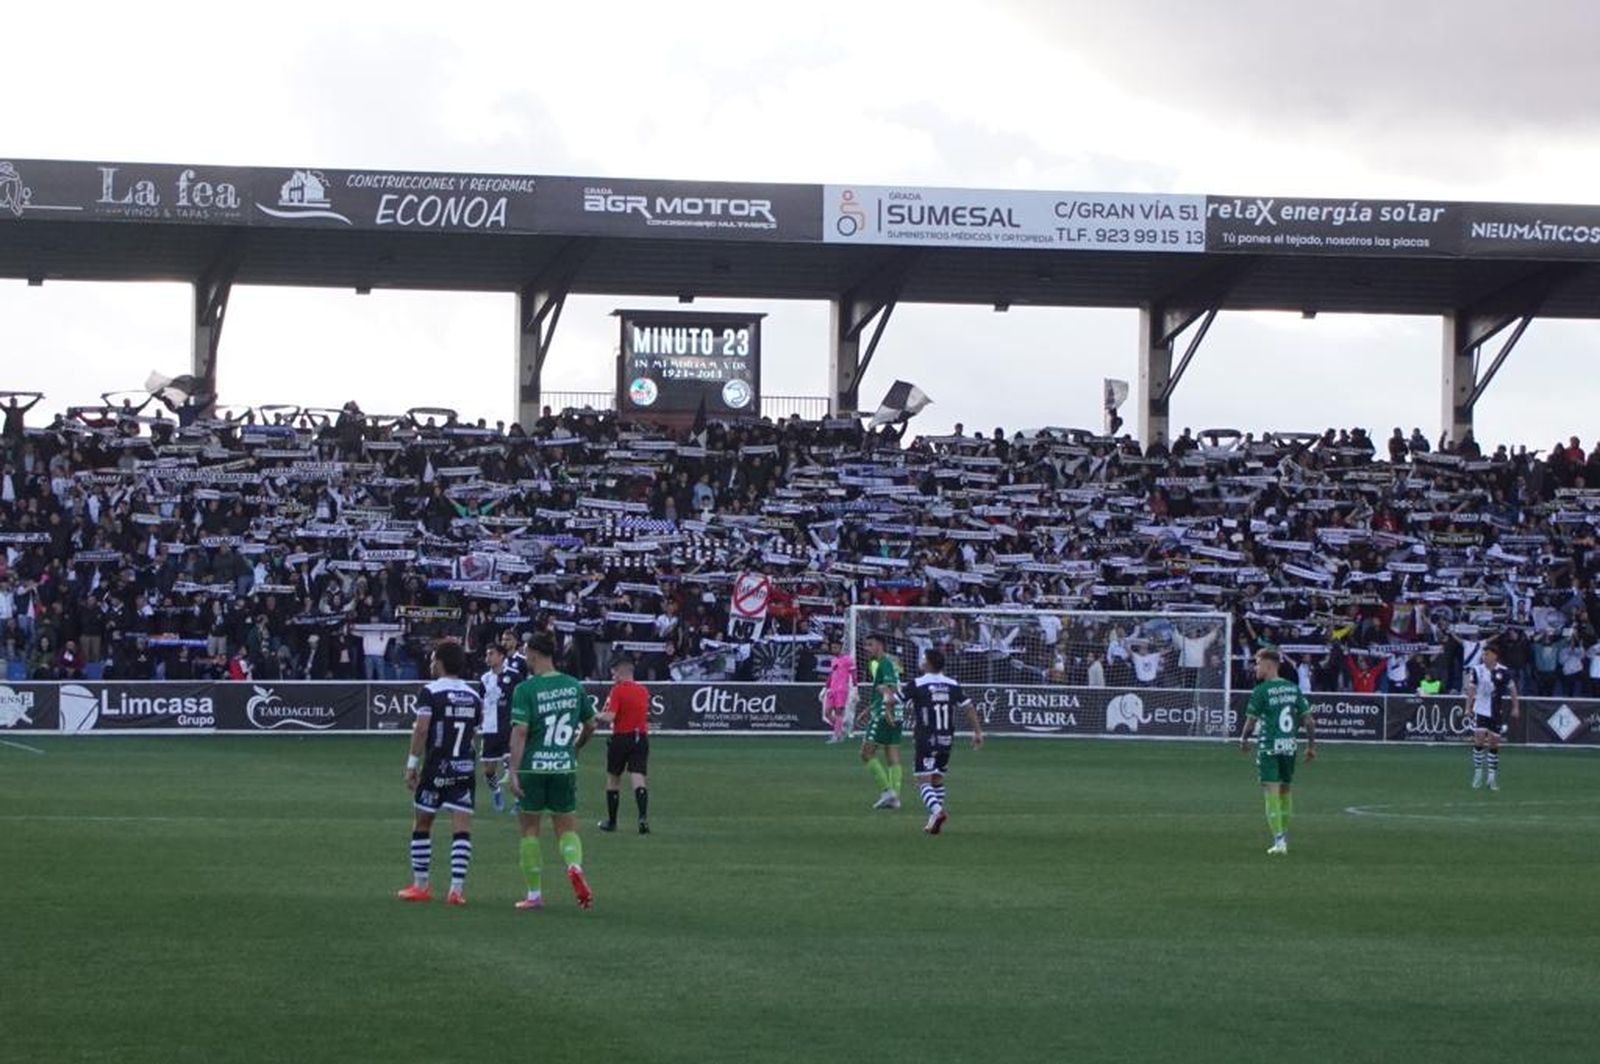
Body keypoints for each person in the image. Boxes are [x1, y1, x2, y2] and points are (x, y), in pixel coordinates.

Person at [508, 634, 597, 911]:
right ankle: (573, 866)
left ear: (534, 654)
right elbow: (591, 724)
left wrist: (512, 770)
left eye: (526, 652)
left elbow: (520, 731)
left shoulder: (525, 689)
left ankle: (534, 895)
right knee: (566, 827)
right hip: (564, 765)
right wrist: (577, 747)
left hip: (534, 767)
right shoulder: (573, 686)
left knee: (530, 830)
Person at [396, 641, 483, 906]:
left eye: (434, 659)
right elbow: (473, 735)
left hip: (436, 767)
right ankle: (456, 890)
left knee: (423, 823)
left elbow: (422, 729)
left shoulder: (430, 692)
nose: (431, 663)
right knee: (461, 828)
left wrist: (412, 764)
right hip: (464, 768)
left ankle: (421, 885)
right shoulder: (474, 695)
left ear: (442, 662)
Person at [1238, 648, 1317, 856]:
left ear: (1269, 665)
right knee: (1285, 790)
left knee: (1271, 791)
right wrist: (1310, 746)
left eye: (1258, 663)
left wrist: (1244, 739)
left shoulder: (1261, 691)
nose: (1256, 667)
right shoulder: (1293, 688)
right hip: (1289, 746)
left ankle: (1279, 841)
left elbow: (1251, 720)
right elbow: (1308, 720)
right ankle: (1283, 836)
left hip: (1270, 746)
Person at [903, 648, 984, 835]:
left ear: (929, 663)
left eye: (924, 659)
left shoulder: (917, 684)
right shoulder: (952, 684)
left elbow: (895, 701)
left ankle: (938, 812)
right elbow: (969, 707)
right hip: (946, 738)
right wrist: (978, 732)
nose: (921, 661)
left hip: (926, 738)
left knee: (923, 781)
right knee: (937, 778)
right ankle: (933, 821)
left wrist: (889, 702)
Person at [595, 653, 652, 834]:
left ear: (620, 672)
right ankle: (642, 817)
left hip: (621, 737)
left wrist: (594, 715)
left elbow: (611, 716)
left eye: (614, 674)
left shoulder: (618, 690)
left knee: (613, 779)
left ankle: (612, 822)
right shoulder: (643, 691)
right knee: (638, 777)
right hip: (640, 737)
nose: (613, 678)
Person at [1464, 643, 1520, 791]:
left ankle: (1491, 777)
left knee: (1494, 743)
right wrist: (1468, 707)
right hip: (1480, 710)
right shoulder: (1477, 670)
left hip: (1496, 712)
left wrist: (1515, 707)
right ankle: (1477, 774)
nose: (1484, 657)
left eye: (1487, 654)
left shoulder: (1504, 671)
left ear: (1495, 656)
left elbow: (1512, 689)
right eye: (1483, 654)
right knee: (1479, 739)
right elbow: (1471, 689)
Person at [859, 633, 903, 810]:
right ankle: (895, 798)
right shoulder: (892, 662)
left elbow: (890, 688)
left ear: (880, 645)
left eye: (870, 645)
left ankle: (887, 792)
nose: (866, 648)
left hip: (885, 713)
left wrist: (887, 712)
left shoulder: (883, 663)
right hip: (896, 712)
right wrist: (868, 709)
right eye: (866, 645)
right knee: (892, 753)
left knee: (866, 753)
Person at [479, 644, 511, 812]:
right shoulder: (484, 678)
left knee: (513, 765)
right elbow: (481, 702)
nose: (488, 657)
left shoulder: (514, 676)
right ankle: (497, 791)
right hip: (489, 729)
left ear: (501, 656)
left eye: (491, 654)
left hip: (508, 728)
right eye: (487, 654)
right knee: (488, 770)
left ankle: (520, 800)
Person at [821, 644, 857, 743]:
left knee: (838, 712)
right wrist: (825, 688)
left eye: (835, 648)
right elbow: (831, 674)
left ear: (841, 648)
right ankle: (840, 729)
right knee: (827, 713)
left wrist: (855, 688)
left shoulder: (848, 660)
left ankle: (836, 735)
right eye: (832, 648)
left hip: (842, 690)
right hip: (832, 689)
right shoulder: (834, 660)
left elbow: (853, 674)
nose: (833, 650)